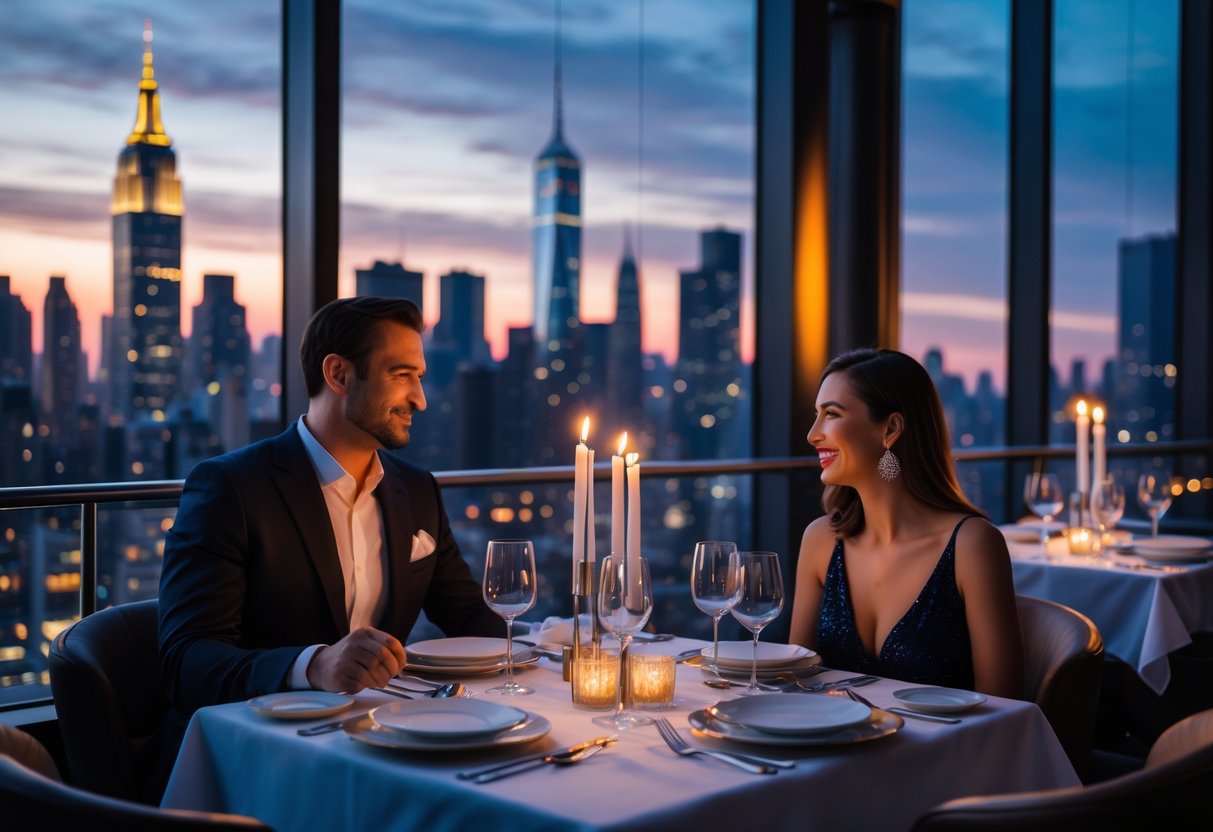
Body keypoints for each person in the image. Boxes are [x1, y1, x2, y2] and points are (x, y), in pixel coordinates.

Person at [159, 297, 505, 714]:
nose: (420, 399)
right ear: (339, 374)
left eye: (420, 378)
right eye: (401, 376)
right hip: (261, 746)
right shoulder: (230, 488)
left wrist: (557, 644)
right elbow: (186, 664)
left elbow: (468, 617)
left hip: (387, 733)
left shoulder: (416, 490)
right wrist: (314, 665)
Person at [788, 348, 1023, 698]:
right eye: (816, 415)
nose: (813, 434)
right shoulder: (821, 540)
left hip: (946, 752)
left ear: (891, 429)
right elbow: (794, 680)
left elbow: (1004, 704)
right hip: (833, 749)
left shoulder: (972, 545)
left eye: (831, 414)